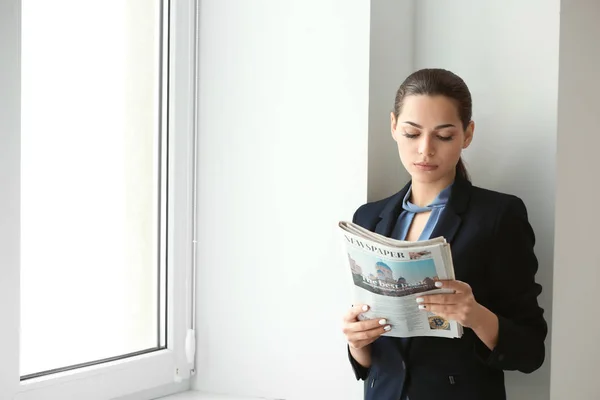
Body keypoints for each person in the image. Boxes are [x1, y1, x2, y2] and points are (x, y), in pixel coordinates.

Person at [341, 68, 547, 400]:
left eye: (444, 135)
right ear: (394, 126)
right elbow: (375, 358)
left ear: (467, 134)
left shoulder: (498, 216)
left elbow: (531, 350)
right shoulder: (368, 219)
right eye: (411, 133)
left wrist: (476, 315)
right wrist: (356, 343)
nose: (425, 149)